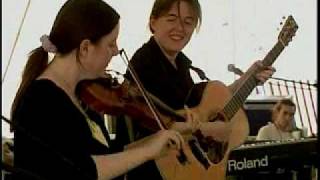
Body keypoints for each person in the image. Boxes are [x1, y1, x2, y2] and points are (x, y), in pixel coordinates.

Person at [10, 0, 188, 180]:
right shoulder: (41, 102)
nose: (116, 50)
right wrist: (147, 151)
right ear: (85, 48)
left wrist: (158, 140)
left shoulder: (84, 95)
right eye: (111, 43)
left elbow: (106, 157)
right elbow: (78, 171)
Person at [114, 0, 276, 179]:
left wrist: (248, 78)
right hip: (154, 171)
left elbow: (204, 108)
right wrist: (212, 128)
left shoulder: (181, 64)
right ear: (153, 22)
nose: (180, 28)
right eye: (172, 19)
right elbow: (160, 124)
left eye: (188, 21)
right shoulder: (145, 63)